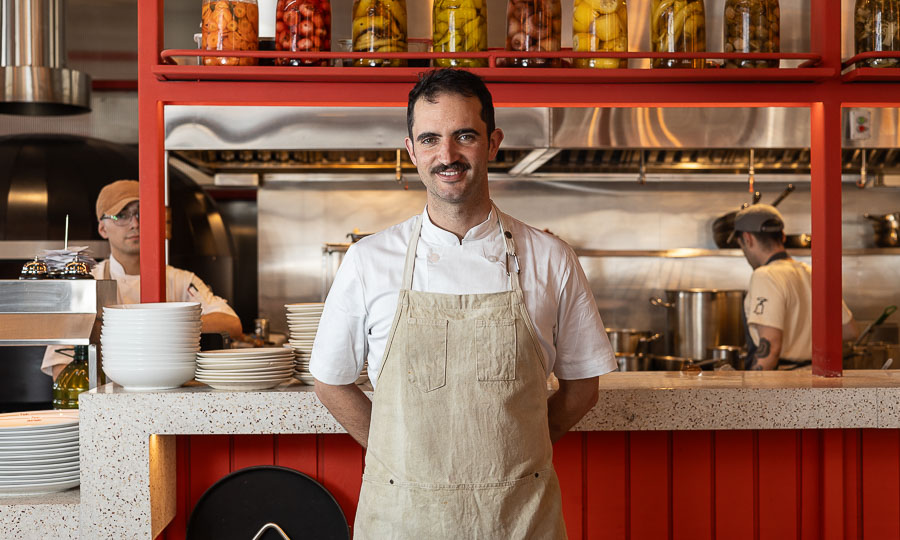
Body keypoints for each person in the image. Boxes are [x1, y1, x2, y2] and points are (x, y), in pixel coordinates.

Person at [310, 69, 616, 538]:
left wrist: (514, 455)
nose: (446, 155)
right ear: (411, 150)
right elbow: (331, 382)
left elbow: (582, 389)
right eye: (430, 138)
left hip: (517, 518)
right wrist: (399, 456)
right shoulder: (368, 261)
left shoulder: (551, 258)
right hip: (402, 519)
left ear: (492, 143)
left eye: (464, 136)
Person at [41, 180, 242, 378]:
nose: (135, 224)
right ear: (102, 228)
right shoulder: (86, 283)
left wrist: (158, 324)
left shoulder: (179, 279)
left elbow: (232, 324)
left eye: (141, 214)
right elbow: (60, 365)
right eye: (121, 216)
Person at [729, 203, 857, 370]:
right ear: (782, 236)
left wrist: (750, 393)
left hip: (783, 385)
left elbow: (771, 349)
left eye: (741, 246)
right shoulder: (813, 274)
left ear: (747, 238)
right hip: (816, 377)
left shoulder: (765, 275)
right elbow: (849, 330)